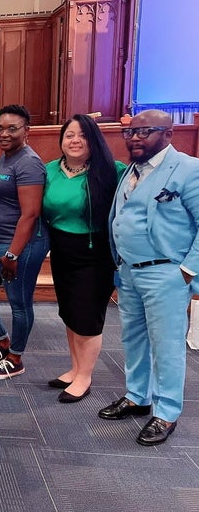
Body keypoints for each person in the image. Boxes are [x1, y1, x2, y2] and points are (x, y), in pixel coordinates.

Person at [98, 109, 199, 446]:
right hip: (128, 272)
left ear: (168, 134)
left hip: (165, 274)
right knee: (133, 339)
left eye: (146, 132)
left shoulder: (187, 169)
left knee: (167, 346)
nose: (136, 138)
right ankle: (137, 396)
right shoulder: (131, 170)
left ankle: (166, 412)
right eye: (131, 133)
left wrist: (186, 271)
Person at [42, 114, 125, 402]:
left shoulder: (111, 171)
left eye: (83, 135)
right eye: (69, 135)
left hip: (96, 253)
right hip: (62, 250)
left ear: (94, 140)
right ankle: (75, 368)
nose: (75, 140)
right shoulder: (50, 170)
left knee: (88, 317)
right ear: (61, 140)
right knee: (70, 312)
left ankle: (85, 376)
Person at [0, 104, 49, 379]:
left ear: (27, 131)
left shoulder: (29, 162)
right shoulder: (4, 157)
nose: (4, 134)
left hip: (21, 244)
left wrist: (13, 255)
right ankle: (2, 341)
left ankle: (16, 357)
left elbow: (31, 213)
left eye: (12, 129)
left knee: (19, 303)